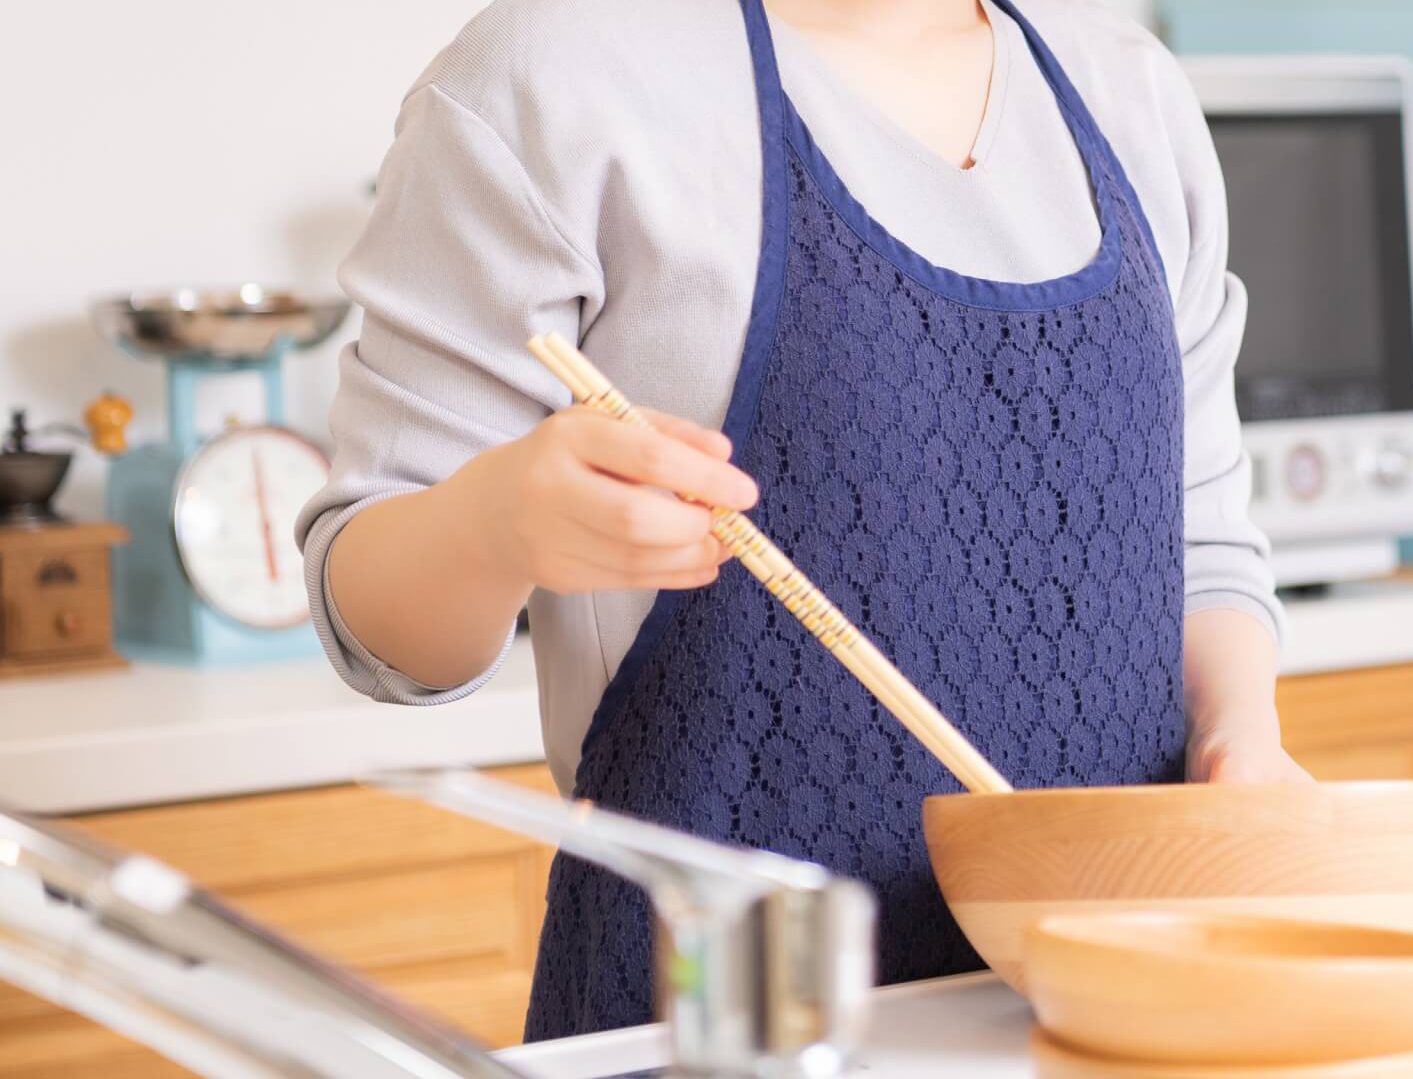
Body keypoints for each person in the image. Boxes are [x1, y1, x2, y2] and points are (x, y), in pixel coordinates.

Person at [298, 0, 1308, 1041]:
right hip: (723, 1023)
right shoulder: (553, 75)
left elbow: (1201, 536)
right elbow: (370, 623)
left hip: (1107, 1004)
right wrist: (492, 524)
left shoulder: (1129, 88)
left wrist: (1240, 737)